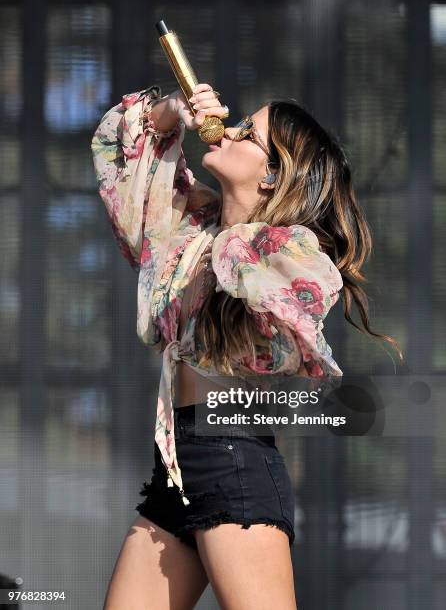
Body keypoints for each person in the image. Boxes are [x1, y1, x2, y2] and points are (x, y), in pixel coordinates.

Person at [91, 82, 403, 609]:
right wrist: (170, 112)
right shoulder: (193, 233)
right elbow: (129, 185)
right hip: (177, 467)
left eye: (248, 133)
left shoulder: (288, 251)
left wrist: (237, 233)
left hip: (234, 463)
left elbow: (285, 301)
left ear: (274, 175)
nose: (229, 129)